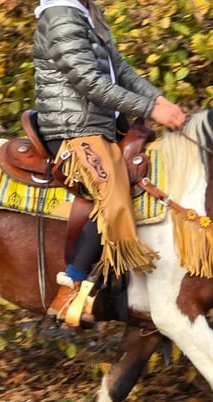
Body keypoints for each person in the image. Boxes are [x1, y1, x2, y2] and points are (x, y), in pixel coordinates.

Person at [33, 0, 186, 326]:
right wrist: (149, 108)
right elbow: (89, 81)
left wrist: (158, 99)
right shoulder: (59, 14)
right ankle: (69, 291)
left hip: (102, 124)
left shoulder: (89, 12)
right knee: (112, 184)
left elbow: (120, 69)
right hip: (73, 127)